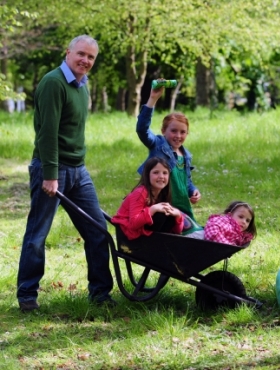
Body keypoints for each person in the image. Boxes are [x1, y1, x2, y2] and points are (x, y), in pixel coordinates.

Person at [17, 35, 114, 312]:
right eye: (81, 54)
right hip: (52, 168)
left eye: (91, 57)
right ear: (68, 52)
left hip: (78, 171)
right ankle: (27, 296)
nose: (85, 60)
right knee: (38, 234)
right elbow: (46, 133)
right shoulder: (53, 83)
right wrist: (50, 174)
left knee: (98, 231)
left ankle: (100, 294)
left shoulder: (82, 85)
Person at [136, 81, 203, 238]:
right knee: (171, 239)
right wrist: (152, 99)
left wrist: (193, 191)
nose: (178, 136)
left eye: (183, 132)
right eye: (173, 131)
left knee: (195, 236)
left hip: (181, 207)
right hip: (163, 206)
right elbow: (142, 129)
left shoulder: (185, 155)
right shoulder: (158, 145)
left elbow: (185, 181)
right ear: (163, 131)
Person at [111, 157, 184, 241]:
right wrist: (152, 209)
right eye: (156, 172)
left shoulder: (163, 194)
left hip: (145, 234)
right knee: (161, 216)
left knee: (170, 216)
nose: (161, 176)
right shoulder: (140, 192)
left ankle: (161, 246)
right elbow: (133, 224)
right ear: (147, 175)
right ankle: (156, 246)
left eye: (165, 173)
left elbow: (177, 231)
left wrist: (178, 215)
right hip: (129, 234)